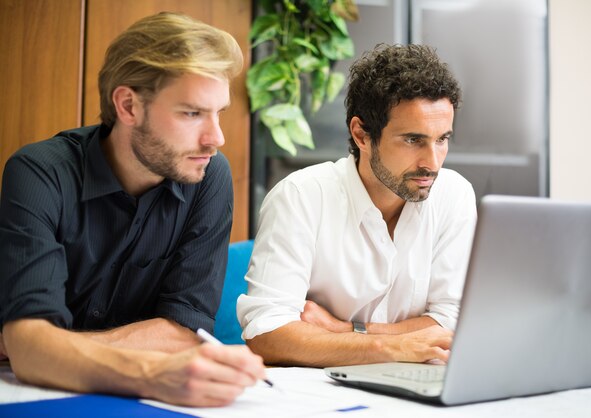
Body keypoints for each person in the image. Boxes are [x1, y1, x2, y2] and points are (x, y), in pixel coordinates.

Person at [0, 12, 266, 406]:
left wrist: (51, 347)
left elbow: (184, 331)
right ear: (128, 106)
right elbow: (30, 354)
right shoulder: (40, 173)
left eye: (219, 112)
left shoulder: (209, 175)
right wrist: (152, 372)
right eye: (192, 113)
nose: (216, 138)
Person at [237, 44, 477, 367]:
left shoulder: (454, 195)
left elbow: (451, 323)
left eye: (442, 139)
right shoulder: (300, 197)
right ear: (361, 134)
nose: (432, 162)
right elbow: (267, 332)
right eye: (413, 140)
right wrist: (389, 348)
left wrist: (347, 330)